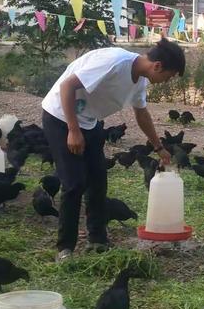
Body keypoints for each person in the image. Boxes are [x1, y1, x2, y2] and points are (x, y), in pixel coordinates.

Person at [41, 38, 185, 262]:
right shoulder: (114, 63)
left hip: (90, 122)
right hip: (60, 117)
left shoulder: (140, 82)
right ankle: (65, 248)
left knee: (98, 180)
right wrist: (73, 129)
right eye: (169, 76)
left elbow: (142, 114)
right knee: (74, 183)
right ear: (158, 66)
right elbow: (66, 86)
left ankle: (97, 241)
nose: (167, 81)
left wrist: (158, 147)